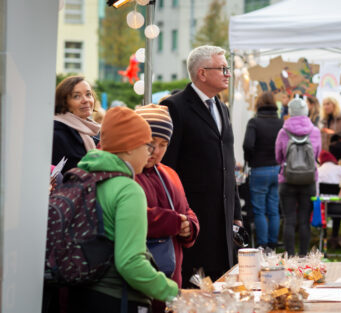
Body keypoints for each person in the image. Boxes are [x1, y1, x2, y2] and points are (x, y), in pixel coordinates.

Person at [68, 107, 179, 313]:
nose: (150, 152)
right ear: (128, 148)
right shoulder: (128, 189)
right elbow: (130, 263)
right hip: (116, 299)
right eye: (147, 145)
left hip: (78, 296)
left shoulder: (83, 176)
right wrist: (174, 292)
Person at [160, 45, 242, 286]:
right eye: (223, 68)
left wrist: (236, 214)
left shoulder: (223, 108)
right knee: (195, 285)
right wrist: (178, 215)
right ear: (202, 73)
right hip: (193, 216)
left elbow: (228, 165)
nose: (228, 73)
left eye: (228, 68)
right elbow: (168, 167)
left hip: (224, 217)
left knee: (222, 281)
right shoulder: (175, 106)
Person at [134, 104, 199, 313]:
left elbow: (187, 211)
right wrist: (172, 222)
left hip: (172, 282)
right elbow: (131, 216)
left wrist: (190, 227)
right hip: (139, 286)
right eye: (151, 143)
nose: (157, 151)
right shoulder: (127, 173)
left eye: (164, 144)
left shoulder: (170, 174)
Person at [275, 98, 321, 256]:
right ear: (306, 112)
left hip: (287, 180)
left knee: (289, 219)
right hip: (308, 180)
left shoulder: (283, 132)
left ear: (290, 112)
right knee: (304, 221)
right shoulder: (314, 131)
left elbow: (278, 157)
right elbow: (317, 155)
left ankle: (289, 257)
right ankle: (303, 256)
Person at [242, 91, 283, 250]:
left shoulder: (254, 122)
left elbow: (247, 145)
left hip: (259, 169)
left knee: (259, 211)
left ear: (258, 104)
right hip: (277, 169)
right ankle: (273, 245)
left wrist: (249, 159)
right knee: (273, 209)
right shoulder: (281, 123)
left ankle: (262, 244)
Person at [52, 76, 100, 173]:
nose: (85, 100)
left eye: (88, 94)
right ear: (64, 103)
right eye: (76, 96)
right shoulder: (57, 134)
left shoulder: (92, 131)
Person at [316, 150, 341, 249]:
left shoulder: (318, 171)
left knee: (329, 204)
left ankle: (325, 237)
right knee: (338, 202)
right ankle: (335, 236)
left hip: (323, 208)